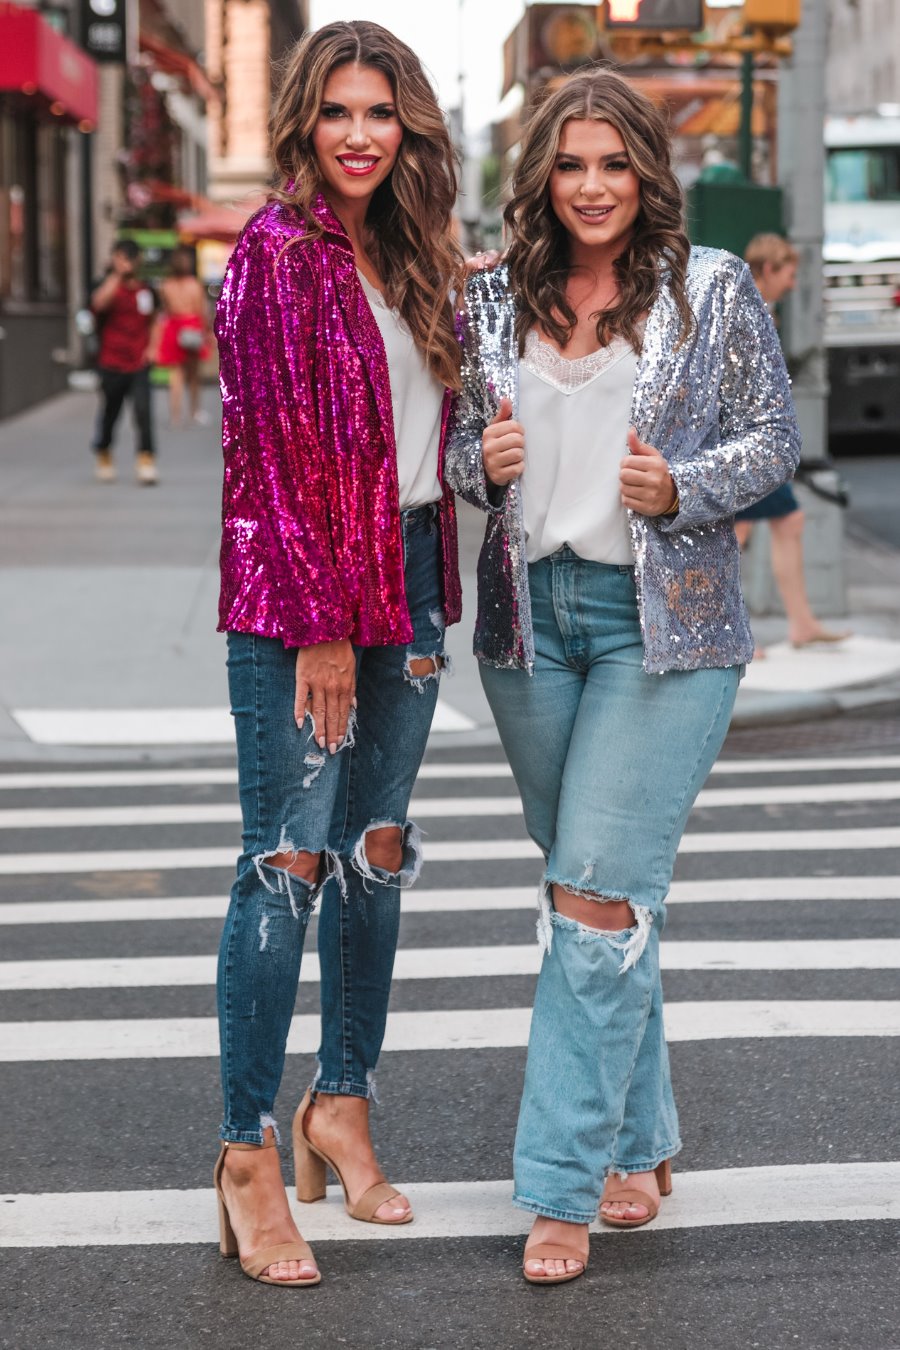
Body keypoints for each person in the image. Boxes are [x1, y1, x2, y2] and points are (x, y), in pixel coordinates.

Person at [447, 69, 800, 1285]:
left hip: (664, 627)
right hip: (530, 630)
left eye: (615, 164)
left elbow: (773, 439)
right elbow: (454, 457)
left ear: (648, 170)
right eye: (571, 164)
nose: (593, 187)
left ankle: (558, 1185)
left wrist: (681, 487)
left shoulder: (709, 290)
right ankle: (639, 1140)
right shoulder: (490, 297)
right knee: (590, 895)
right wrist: (479, 465)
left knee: (595, 895)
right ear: (541, 172)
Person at [213, 20, 464, 1288]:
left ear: (409, 124)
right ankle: (249, 1154)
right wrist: (321, 622)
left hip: (413, 579)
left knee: (375, 857)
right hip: (304, 599)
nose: (361, 136)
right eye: (339, 113)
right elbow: (266, 458)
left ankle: (343, 1104)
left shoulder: (416, 250)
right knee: (286, 863)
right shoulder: (273, 255)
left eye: (383, 114)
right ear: (304, 121)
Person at [735, 233, 849, 649]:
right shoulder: (747, 310)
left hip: (751, 444)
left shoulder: (756, 308)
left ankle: (798, 623)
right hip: (747, 446)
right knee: (742, 534)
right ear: (768, 270)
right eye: (788, 273)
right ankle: (737, 630)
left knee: (775, 524)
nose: (793, 283)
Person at [89, 239, 158, 485]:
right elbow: (98, 303)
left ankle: (146, 459)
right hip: (111, 361)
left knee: (143, 411)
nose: (126, 263)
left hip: (138, 362)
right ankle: (104, 451)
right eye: (121, 257)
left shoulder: (146, 290)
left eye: (129, 258)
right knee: (111, 412)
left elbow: (154, 321)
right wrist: (117, 275)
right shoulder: (107, 285)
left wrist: (152, 348)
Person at [156, 246, 212, 427]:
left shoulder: (165, 285)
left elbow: (164, 310)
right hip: (193, 327)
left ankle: (175, 415)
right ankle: (194, 411)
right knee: (194, 375)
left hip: (174, 327)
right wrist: (208, 332)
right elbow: (202, 310)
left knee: (176, 374)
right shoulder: (194, 285)